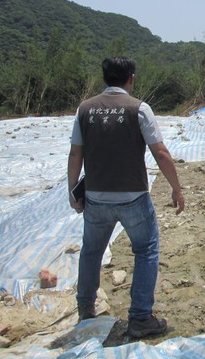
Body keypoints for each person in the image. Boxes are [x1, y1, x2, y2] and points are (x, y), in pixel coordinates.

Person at [67, 56, 185, 338]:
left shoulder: (85, 110)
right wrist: (176, 188)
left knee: (92, 251)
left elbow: (75, 153)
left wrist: (74, 192)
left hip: (95, 198)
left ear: (104, 78)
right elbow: (161, 152)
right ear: (131, 78)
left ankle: (85, 309)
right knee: (146, 250)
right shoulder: (139, 109)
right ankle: (141, 317)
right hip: (133, 198)